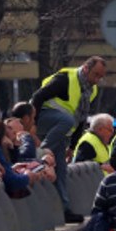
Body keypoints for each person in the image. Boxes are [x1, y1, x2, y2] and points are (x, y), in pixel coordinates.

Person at [31, 56, 107, 222]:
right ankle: (42, 152)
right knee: (67, 120)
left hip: (60, 130)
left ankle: (65, 211)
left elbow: (81, 118)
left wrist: (72, 146)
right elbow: (37, 98)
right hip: (43, 118)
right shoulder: (65, 79)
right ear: (85, 68)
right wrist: (32, 124)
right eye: (95, 75)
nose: (97, 80)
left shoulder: (91, 91)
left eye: (100, 77)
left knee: (61, 171)